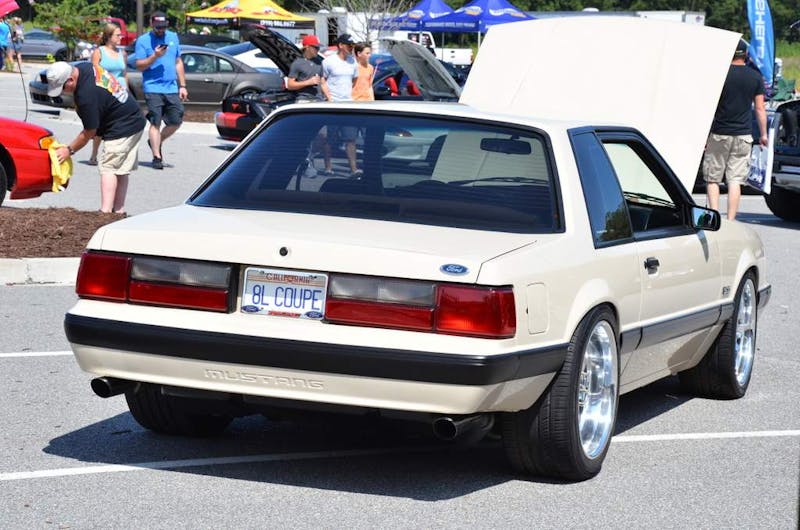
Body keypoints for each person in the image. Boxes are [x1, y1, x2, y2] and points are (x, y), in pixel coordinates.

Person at [44, 61, 146, 213]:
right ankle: (118, 210)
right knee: (121, 169)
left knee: (108, 168)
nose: (63, 92)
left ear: (71, 79)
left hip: (122, 126)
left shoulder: (86, 95)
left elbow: (89, 132)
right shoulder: (85, 67)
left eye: (63, 87)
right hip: (134, 118)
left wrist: (69, 150)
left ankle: (105, 212)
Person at [702, 39, 767, 221]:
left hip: (719, 133)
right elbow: (760, 109)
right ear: (746, 55)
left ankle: (714, 217)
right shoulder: (755, 77)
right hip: (743, 135)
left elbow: (710, 108)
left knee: (713, 178)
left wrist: (704, 135)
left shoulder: (720, 75)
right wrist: (763, 135)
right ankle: (730, 221)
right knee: (735, 180)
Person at [135, 11, 188, 170]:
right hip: (152, 87)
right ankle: (156, 157)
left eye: (163, 27)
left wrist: (183, 85)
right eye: (158, 27)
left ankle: (155, 141)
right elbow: (139, 65)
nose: (161, 30)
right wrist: (155, 56)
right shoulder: (143, 41)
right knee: (155, 122)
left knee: (176, 121)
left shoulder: (173, 37)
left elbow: (178, 61)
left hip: (171, 87)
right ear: (151, 24)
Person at [88, 23, 128, 166]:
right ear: (109, 36)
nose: (120, 37)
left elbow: (124, 73)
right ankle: (94, 154)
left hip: (121, 93)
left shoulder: (122, 53)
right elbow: (94, 73)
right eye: (117, 35)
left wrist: (127, 90)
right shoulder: (99, 52)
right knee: (101, 126)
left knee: (119, 125)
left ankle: (114, 156)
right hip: (105, 92)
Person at [321, 33, 360, 176]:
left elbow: (354, 80)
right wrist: (329, 98)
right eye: (349, 45)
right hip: (332, 105)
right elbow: (323, 80)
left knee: (351, 138)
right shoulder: (328, 62)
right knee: (329, 139)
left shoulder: (353, 62)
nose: (351, 48)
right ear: (341, 45)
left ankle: (354, 169)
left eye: (352, 45)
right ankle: (328, 167)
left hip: (348, 104)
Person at [286, 34, 323, 102]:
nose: (318, 50)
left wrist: (329, 98)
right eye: (316, 47)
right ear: (307, 47)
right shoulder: (297, 63)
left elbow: (323, 82)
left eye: (318, 48)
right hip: (304, 100)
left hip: (319, 99)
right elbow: (290, 85)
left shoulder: (319, 62)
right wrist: (308, 82)